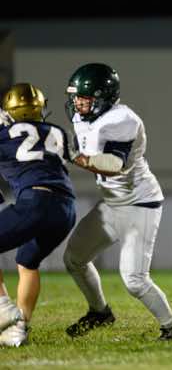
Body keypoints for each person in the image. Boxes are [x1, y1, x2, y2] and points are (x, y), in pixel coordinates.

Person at [63, 63, 172, 340]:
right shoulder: (84, 118)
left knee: (134, 280)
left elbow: (114, 165)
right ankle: (100, 312)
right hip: (112, 203)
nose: (78, 103)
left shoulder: (122, 120)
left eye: (84, 98)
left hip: (138, 203)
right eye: (76, 97)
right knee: (74, 259)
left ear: (103, 97)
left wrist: (73, 156)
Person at [0, 83, 76, 346]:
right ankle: (18, 330)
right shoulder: (57, 132)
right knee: (27, 261)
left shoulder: (5, 134)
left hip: (35, 202)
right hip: (66, 208)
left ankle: (4, 310)